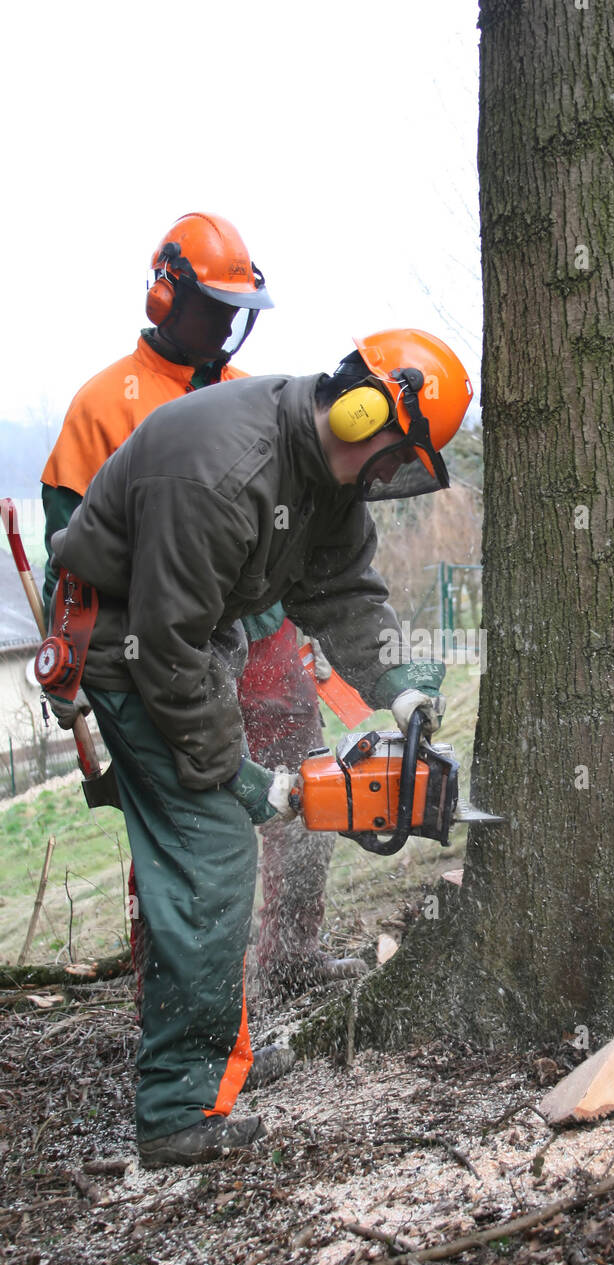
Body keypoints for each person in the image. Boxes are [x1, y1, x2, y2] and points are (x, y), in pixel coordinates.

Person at [45, 327, 473, 1168]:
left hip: (195, 637)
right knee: (211, 853)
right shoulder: (224, 472)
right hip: (127, 642)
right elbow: (166, 654)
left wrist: (398, 685)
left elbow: (341, 589)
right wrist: (239, 779)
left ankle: (221, 1058)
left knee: (221, 843)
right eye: (393, 460)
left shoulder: (324, 475)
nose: (389, 478)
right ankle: (177, 1106)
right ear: (362, 412)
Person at [41, 212, 363, 998]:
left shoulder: (252, 394)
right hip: (166, 645)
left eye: (234, 307)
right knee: (185, 823)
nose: (225, 323)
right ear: (164, 297)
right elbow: (70, 549)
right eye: (211, 305)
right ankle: (184, 992)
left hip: (263, 635)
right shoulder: (102, 406)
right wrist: (77, 661)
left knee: (305, 776)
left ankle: (294, 951)